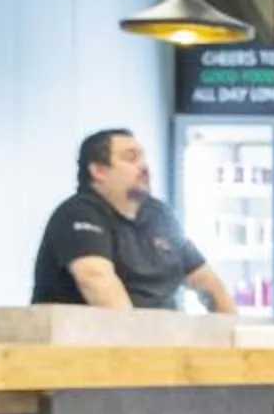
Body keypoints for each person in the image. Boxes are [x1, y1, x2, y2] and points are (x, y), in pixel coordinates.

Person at [32, 128, 237, 314]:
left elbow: (207, 282)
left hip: (164, 342)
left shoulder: (160, 215)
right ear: (99, 171)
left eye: (143, 158)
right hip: (97, 347)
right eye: (131, 158)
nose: (143, 167)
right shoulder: (77, 213)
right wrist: (139, 345)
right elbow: (95, 280)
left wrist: (235, 340)